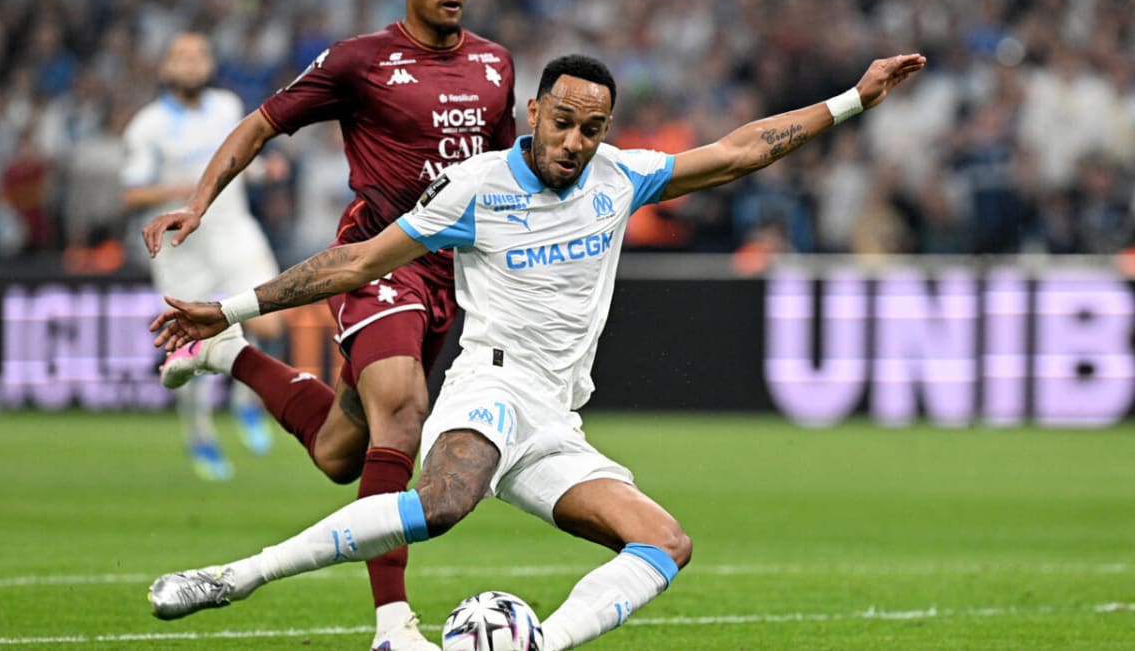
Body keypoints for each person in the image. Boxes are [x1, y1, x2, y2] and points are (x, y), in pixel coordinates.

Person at [144, 52, 925, 649]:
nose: (575, 142)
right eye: (562, 122)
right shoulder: (477, 187)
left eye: (592, 129)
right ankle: (235, 575)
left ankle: (537, 641)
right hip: (491, 385)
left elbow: (743, 149)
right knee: (441, 504)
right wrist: (226, 309)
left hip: (556, 418)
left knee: (666, 544)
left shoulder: (621, 178)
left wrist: (855, 98)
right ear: (534, 110)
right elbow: (354, 261)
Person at [140, 0, 516, 648]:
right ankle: (393, 624)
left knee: (341, 451)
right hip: (375, 261)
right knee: (403, 411)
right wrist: (200, 203)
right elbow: (261, 123)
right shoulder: (359, 61)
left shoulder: (495, 64)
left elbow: (504, 173)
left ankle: (228, 352)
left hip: (448, 278)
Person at [122, 32, 283, 481]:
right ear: (166, 67)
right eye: (181, 56)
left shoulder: (229, 108)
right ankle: (200, 436)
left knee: (269, 319)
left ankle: (245, 402)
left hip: (232, 231)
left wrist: (263, 170)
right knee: (187, 346)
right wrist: (190, 191)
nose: (191, 63)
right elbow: (131, 193)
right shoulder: (148, 125)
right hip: (181, 248)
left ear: (210, 64)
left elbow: (240, 161)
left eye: (199, 55)